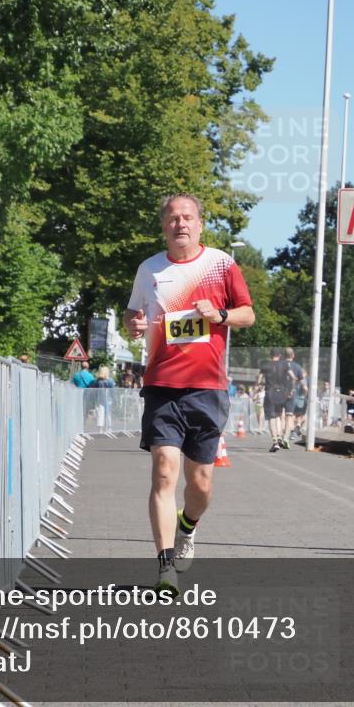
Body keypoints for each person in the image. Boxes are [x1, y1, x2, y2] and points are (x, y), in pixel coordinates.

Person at [123, 193, 254, 594]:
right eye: (173, 218)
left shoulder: (221, 264)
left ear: (199, 224)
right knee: (164, 471)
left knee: (201, 485)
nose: (180, 223)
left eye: (187, 217)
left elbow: (248, 314)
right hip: (161, 384)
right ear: (163, 226)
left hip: (207, 388)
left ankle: (188, 526)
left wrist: (220, 315)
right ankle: (165, 568)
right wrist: (133, 324)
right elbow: (132, 312)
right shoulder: (149, 269)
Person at [257, 348, 294, 452]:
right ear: (279, 355)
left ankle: (275, 442)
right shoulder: (285, 364)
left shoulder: (265, 365)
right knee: (279, 415)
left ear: (270, 355)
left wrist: (259, 386)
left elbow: (259, 380)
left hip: (270, 393)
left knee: (271, 417)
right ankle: (280, 436)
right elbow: (292, 377)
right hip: (281, 393)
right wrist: (290, 389)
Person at [283, 347, 305, 442]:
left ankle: (278, 435)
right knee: (289, 416)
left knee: (280, 415)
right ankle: (286, 437)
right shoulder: (297, 367)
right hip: (292, 392)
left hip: (279, 392)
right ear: (293, 355)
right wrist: (305, 389)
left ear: (283, 355)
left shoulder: (278, 365)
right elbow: (301, 381)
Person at [94, 365, 115, 433]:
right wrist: (114, 399)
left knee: (100, 413)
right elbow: (112, 391)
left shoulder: (98, 381)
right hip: (108, 399)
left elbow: (95, 390)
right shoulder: (110, 381)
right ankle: (109, 428)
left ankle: (100, 429)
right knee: (108, 413)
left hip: (100, 398)